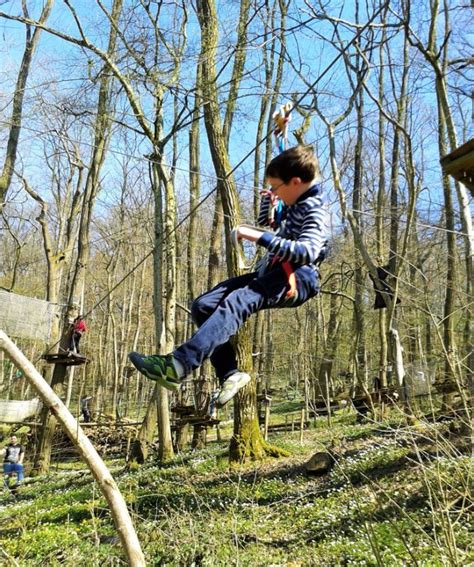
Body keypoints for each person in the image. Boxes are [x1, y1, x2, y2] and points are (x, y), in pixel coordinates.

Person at [129, 145, 329, 407]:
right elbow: (268, 219)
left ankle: (177, 365)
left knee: (238, 301)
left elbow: (307, 251)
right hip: (273, 271)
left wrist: (260, 237)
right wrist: (271, 193)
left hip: (299, 277)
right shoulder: (296, 196)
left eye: (277, 187)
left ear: (295, 182)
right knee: (204, 305)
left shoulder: (316, 208)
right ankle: (231, 374)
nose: (275, 192)